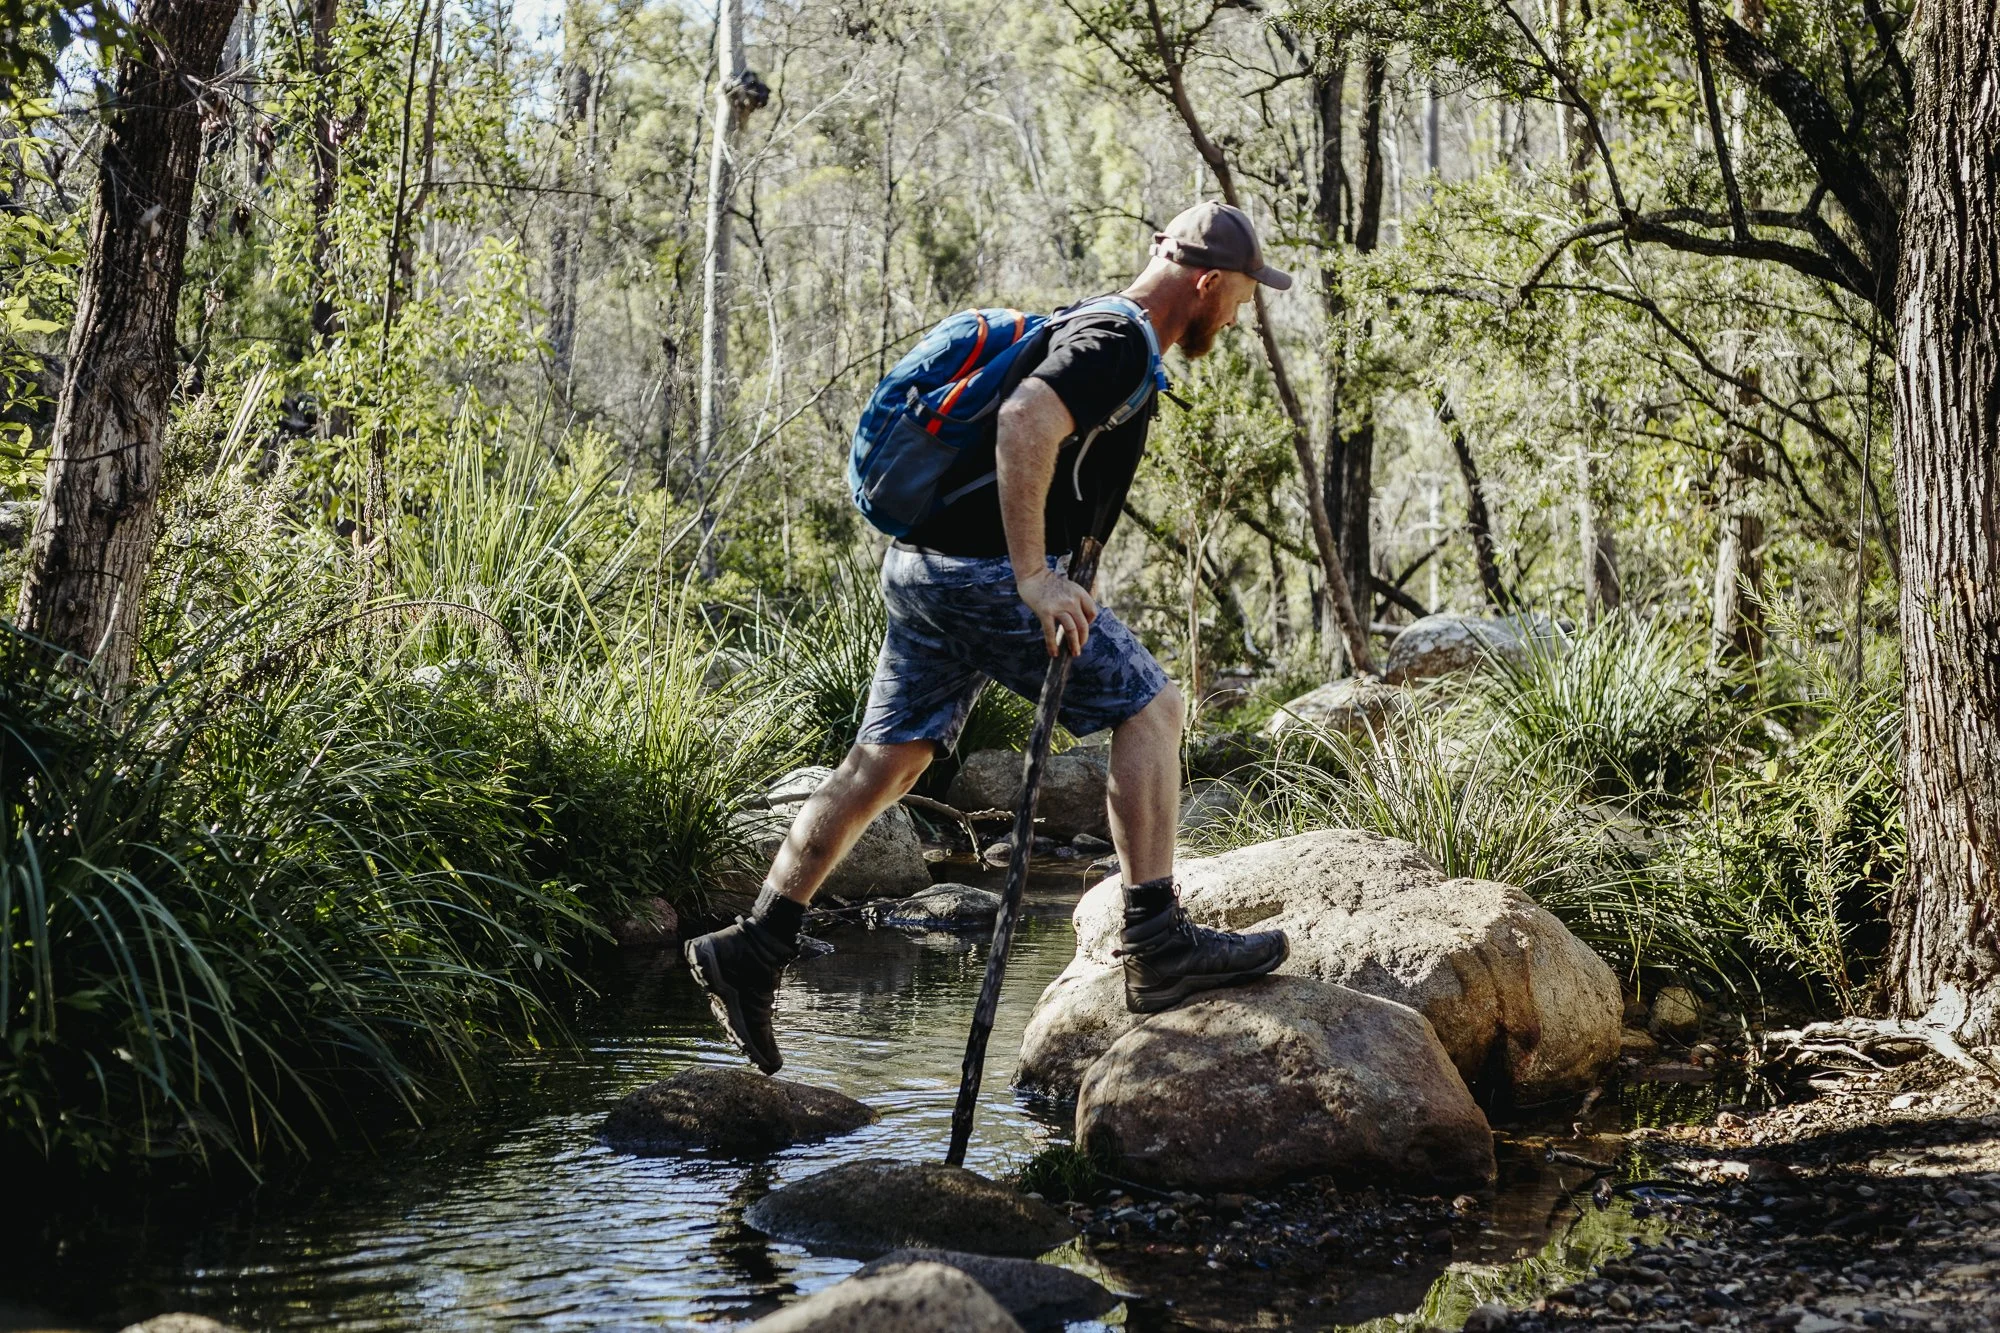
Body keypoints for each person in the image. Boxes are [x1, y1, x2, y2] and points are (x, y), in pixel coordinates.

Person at [686, 201, 1292, 1074]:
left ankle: (753, 944)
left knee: (886, 762)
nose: (1237, 315)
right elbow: (1025, 423)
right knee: (1152, 707)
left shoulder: (1096, 328)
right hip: (977, 576)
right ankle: (1158, 945)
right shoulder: (1117, 342)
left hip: (921, 568)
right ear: (1203, 282)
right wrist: (1032, 576)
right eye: (1238, 297)